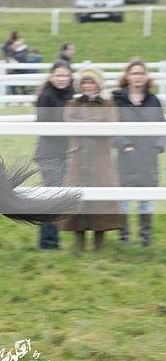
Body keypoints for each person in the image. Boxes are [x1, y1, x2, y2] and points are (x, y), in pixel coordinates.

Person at [59, 68, 123, 254]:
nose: (87, 86)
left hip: (100, 160)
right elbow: (69, 125)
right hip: (79, 158)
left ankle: (98, 247)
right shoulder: (72, 104)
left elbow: (110, 127)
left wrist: (86, 123)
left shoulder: (109, 104)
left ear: (98, 84)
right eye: (84, 82)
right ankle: (79, 246)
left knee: (100, 202)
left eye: (91, 82)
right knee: (77, 201)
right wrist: (94, 123)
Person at [112, 59, 165, 247]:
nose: (138, 77)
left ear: (146, 76)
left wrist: (158, 147)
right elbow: (111, 127)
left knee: (146, 202)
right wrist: (123, 144)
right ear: (127, 76)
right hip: (126, 157)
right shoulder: (118, 100)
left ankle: (146, 239)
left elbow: (162, 126)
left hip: (148, 158)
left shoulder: (153, 101)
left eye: (141, 73)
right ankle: (124, 239)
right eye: (134, 73)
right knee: (123, 202)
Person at [33, 61, 75, 250]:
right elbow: (44, 124)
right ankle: (48, 242)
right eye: (58, 75)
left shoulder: (71, 96)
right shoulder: (47, 97)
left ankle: (52, 240)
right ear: (51, 77)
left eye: (65, 75)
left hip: (65, 153)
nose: (62, 79)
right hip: (50, 154)